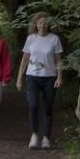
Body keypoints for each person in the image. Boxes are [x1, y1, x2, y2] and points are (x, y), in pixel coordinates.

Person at [16, 11, 63, 149]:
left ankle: (46, 137)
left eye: (45, 23)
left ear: (49, 25)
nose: (42, 25)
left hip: (50, 77)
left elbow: (59, 60)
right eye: (40, 23)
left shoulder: (54, 39)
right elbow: (24, 59)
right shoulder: (31, 38)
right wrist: (19, 78)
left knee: (48, 107)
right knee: (33, 105)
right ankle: (34, 135)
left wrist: (60, 76)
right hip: (32, 77)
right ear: (36, 25)